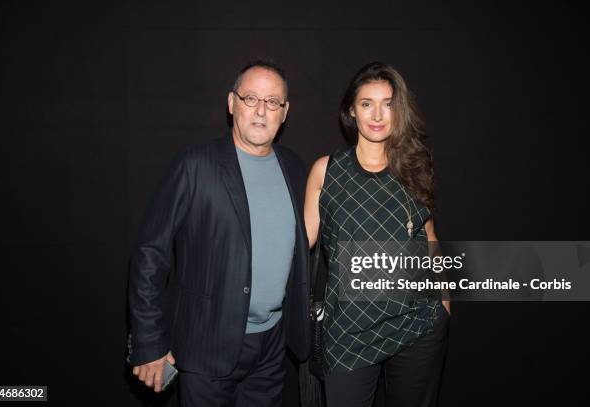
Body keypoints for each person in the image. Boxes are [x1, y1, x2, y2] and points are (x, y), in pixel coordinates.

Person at [127, 60, 310, 407]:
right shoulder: (195, 165)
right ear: (231, 103)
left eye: (272, 102)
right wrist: (149, 341)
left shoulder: (295, 167)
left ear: (285, 112)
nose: (260, 110)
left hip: (271, 349)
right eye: (250, 98)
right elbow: (150, 253)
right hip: (206, 346)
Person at [304, 62, 450, 407]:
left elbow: (429, 236)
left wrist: (444, 301)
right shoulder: (327, 170)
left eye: (387, 103)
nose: (377, 114)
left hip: (416, 325)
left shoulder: (413, 166)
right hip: (348, 332)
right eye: (367, 103)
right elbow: (300, 246)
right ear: (351, 110)